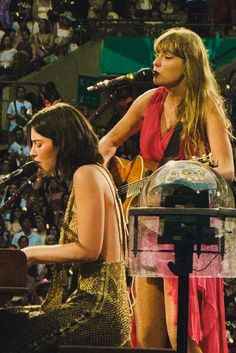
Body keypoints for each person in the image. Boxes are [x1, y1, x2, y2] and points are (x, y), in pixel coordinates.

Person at [99, 27, 234, 353]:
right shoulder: (149, 101)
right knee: (147, 337)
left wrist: (187, 172)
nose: (156, 62)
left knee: (181, 332)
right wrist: (102, 176)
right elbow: (107, 143)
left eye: (167, 56)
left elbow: (228, 168)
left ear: (188, 64)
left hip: (188, 228)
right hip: (147, 224)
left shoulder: (205, 106)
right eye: (157, 54)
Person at [0, 102, 131, 353]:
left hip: (99, 312)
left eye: (39, 144)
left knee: (8, 333)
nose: (32, 153)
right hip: (96, 307)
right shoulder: (93, 171)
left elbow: (88, 249)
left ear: (62, 142)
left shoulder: (87, 175)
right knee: (7, 322)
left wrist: (29, 254)